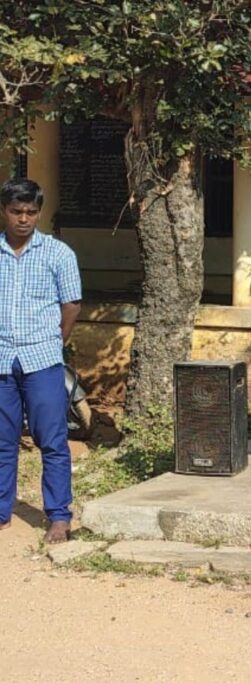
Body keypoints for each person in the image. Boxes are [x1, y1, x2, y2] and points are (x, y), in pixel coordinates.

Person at [0, 178, 82, 544]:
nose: (23, 219)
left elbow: (71, 305)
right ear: (4, 211)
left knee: (52, 440)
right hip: (2, 359)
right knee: (3, 441)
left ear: (39, 213)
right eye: (16, 211)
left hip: (43, 360)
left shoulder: (58, 254)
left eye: (31, 212)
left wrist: (54, 342)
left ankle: (59, 516)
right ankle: (2, 512)